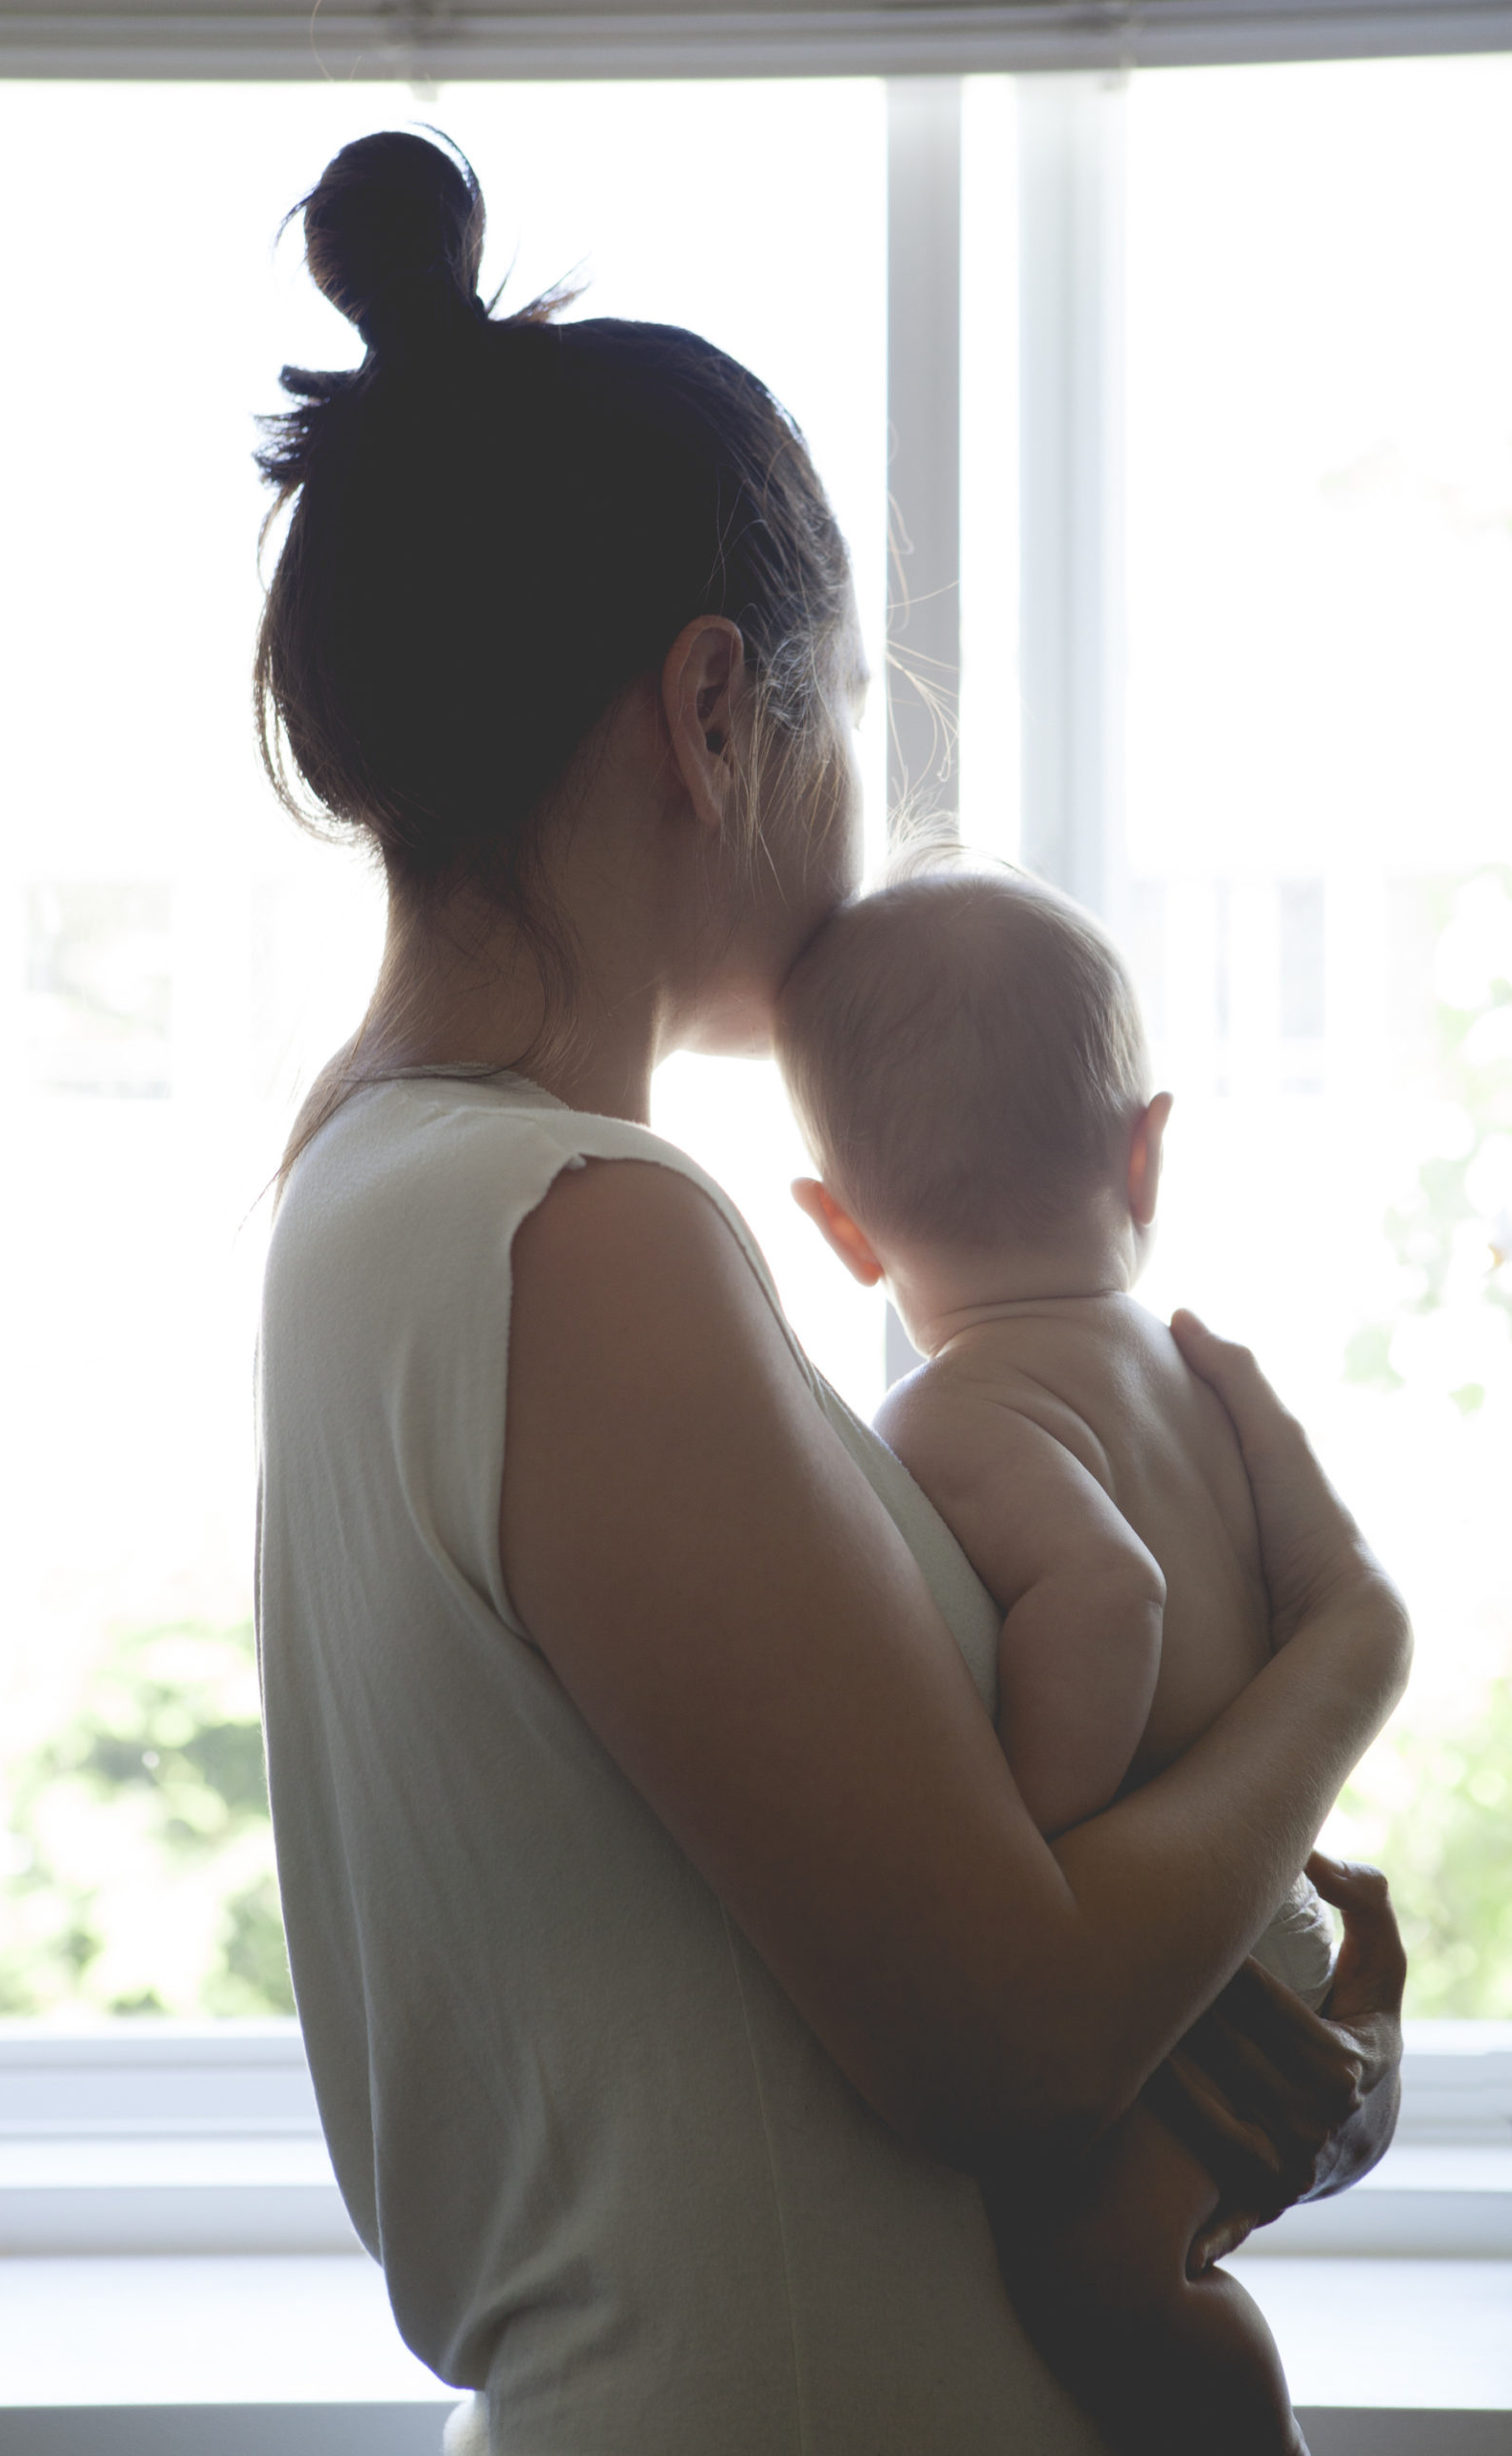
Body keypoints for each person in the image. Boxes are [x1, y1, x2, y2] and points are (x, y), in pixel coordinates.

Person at [252, 128, 1409, 2456]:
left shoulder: (376, 1176)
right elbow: (998, 2038)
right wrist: (1339, 1662)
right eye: (847, 700)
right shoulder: (581, 1229)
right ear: (711, 710)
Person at [777, 866, 1381, 2451]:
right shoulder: (1178, 1373)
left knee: (1102, 2277)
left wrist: (1035, 1848)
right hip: (1284, 1925)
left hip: (1198, 1975)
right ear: (1145, 1150)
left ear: (839, 1229)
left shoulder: (953, 1413)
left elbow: (1105, 1593)